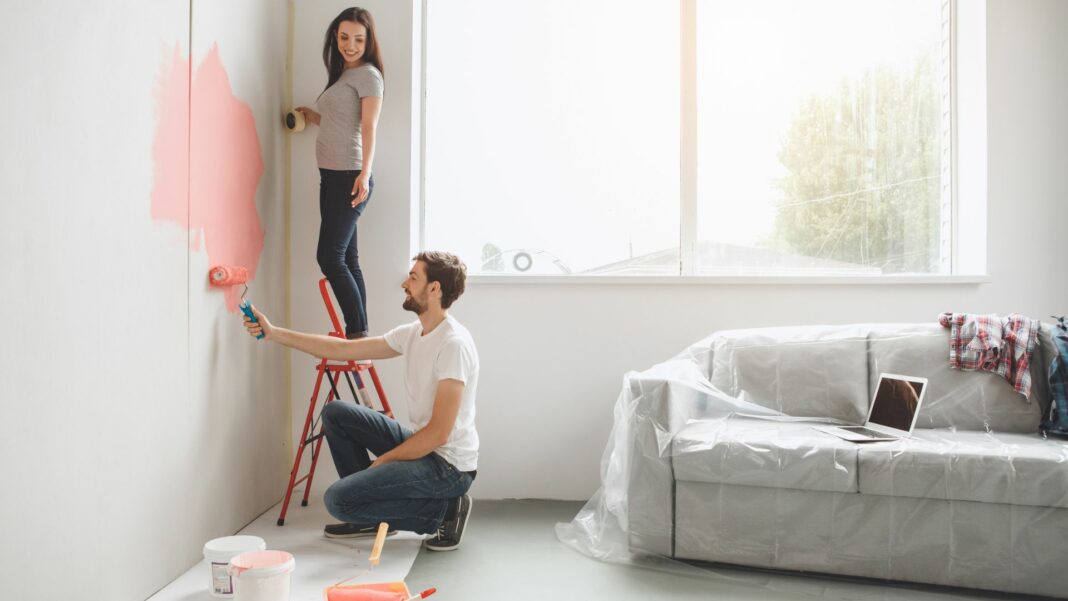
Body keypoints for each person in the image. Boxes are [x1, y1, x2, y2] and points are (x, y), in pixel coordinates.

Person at [243, 251, 478, 552]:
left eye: (414, 277)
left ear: (434, 289)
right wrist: (274, 333)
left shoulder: (453, 344)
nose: (405, 283)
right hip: (426, 447)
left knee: (338, 500)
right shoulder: (414, 333)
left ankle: (445, 512)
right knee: (337, 413)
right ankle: (373, 514)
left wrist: (384, 461)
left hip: (449, 467)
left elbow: (439, 434)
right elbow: (342, 350)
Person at [296, 7, 384, 339]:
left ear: (368, 41)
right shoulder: (343, 76)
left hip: (350, 176)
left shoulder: (368, 75)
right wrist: (314, 117)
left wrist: (365, 172)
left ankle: (357, 334)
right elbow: (341, 122)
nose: (350, 45)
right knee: (347, 256)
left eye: (358, 40)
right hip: (332, 176)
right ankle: (359, 332)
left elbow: (368, 127)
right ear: (336, 36)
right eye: (345, 37)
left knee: (329, 256)